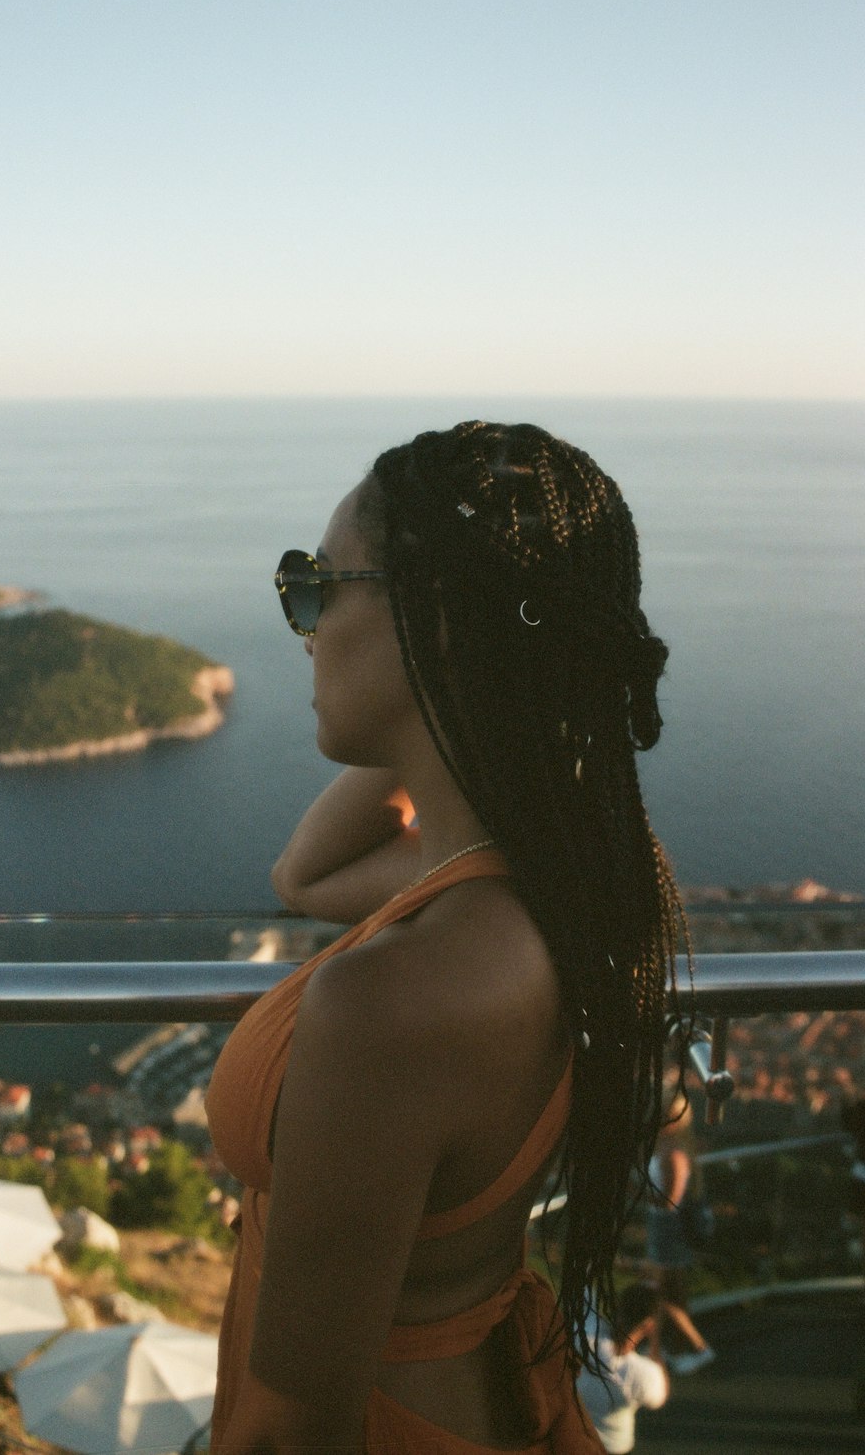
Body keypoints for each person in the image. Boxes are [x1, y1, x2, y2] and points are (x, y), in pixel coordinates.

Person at [205, 421, 692, 1451]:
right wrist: (461, 687)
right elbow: (308, 877)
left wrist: (445, 672)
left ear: (432, 619)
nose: (301, 624)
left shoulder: (398, 995)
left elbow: (294, 1430)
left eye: (314, 585)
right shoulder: (560, 879)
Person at [645, 1096, 715, 1373]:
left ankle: (696, 1348)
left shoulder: (674, 1152)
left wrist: (638, 1195)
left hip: (667, 1230)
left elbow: (670, 1201)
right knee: (670, 1294)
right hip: (663, 1229)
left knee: (661, 1295)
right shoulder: (670, 1145)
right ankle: (671, 1349)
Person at [576, 1284, 669, 1453]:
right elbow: (658, 1399)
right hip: (613, 1448)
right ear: (649, 1326)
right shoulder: (646, 1374)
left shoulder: (584, 1333)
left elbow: (583, 1288)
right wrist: (655, 1340)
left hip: (570, 1441)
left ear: (618, 1307)